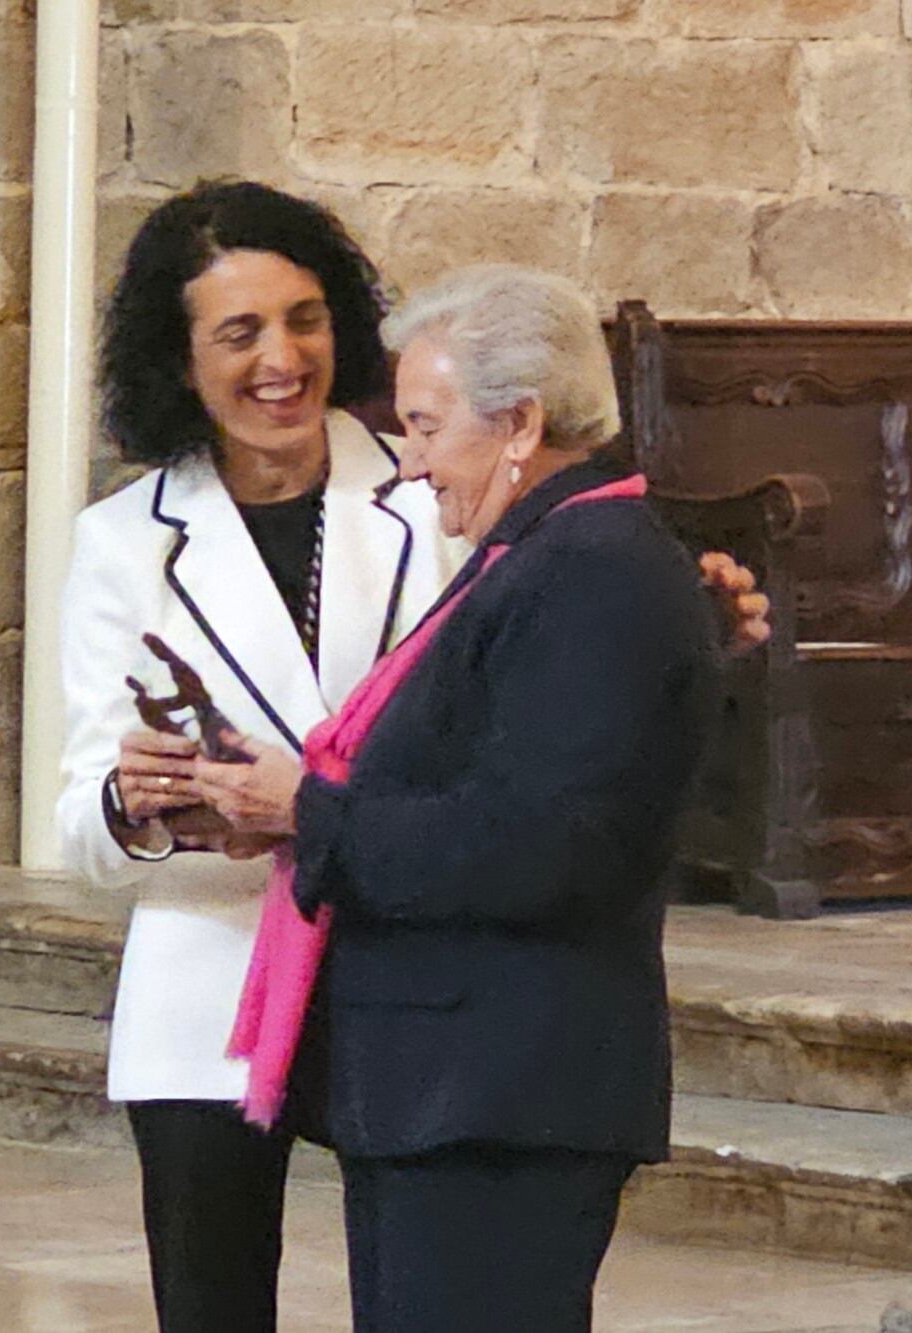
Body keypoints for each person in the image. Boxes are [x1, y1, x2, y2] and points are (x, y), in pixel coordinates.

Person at [58, 185, 765, 1332]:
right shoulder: (122, 540)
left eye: (303, 320)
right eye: (238, 334)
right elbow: (78, 817)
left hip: (422, 971)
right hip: (223, 965)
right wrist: (137, 802)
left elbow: (538, 705)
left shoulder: (445, 481)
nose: (280, 359)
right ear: (176, 360)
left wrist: (690, 632)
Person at [198, 265, 724, 1332]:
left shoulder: (592, 568)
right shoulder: (537, 553)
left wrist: (310, 812)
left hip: (503, 1095)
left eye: (428, 425)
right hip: (451, 1089)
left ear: (521, 422)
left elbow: (544, 843)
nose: (412, 457)